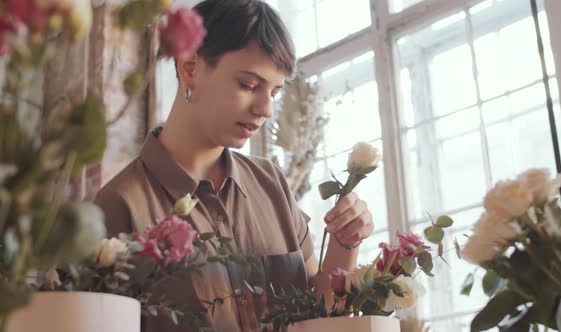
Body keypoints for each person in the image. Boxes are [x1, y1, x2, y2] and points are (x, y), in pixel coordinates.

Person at [94, 0, 374, 331]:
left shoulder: (271, 183)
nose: (266, 108)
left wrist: (346, 242)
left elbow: (319, 311)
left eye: (274, 91)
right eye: (248, 85)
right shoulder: (118, 207)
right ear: (189, 67)